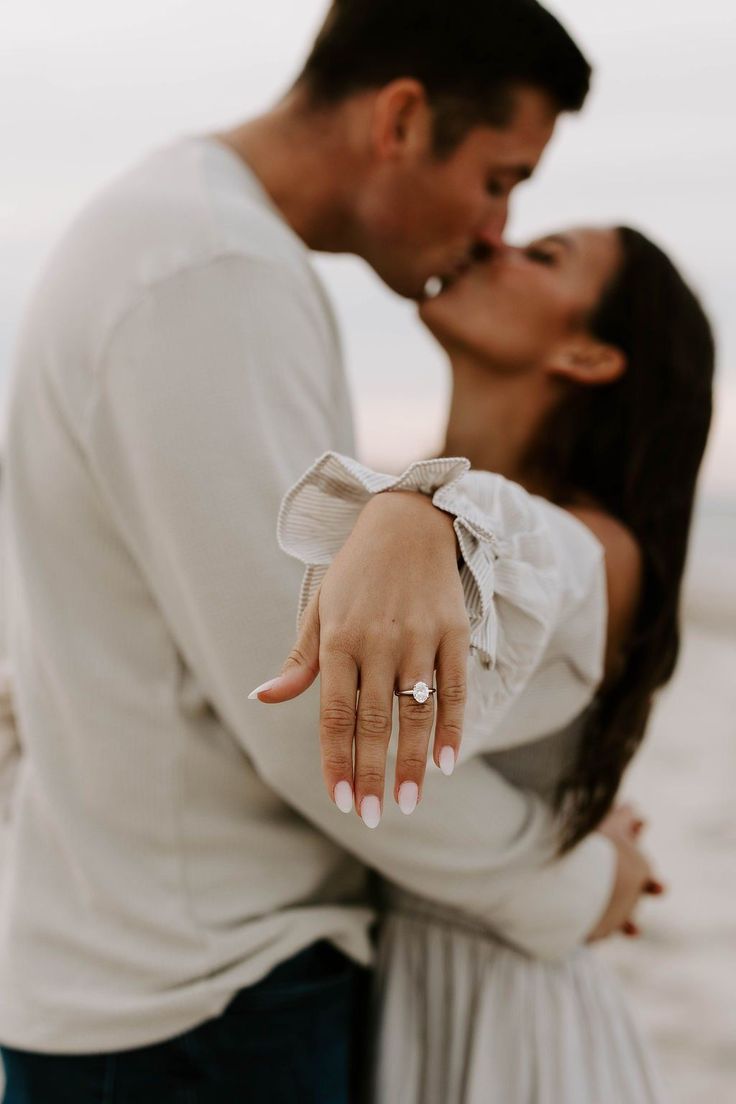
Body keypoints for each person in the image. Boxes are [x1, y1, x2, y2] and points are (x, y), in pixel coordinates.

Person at [0, 2, 654, 1100]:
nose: (495, 226)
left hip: (151, 983)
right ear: (400, 119)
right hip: (207, 1002)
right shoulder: (212, 271)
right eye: (499, 178)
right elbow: (317, 712)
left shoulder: (187, 238)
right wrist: (574, 881)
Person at [275, 224, 714, 1102]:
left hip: (511, 1029)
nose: (490, 244)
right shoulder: (432, 533)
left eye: (544, 257)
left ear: (588, 352)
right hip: (404, 989)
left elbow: (532, 547)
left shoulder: (592, 553)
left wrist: (421, 511)